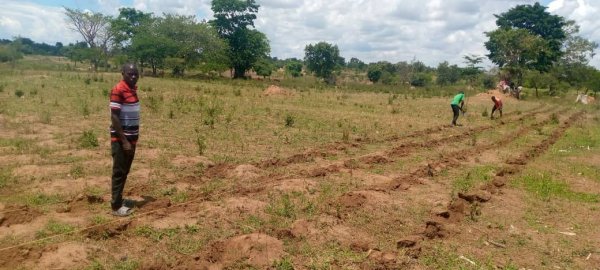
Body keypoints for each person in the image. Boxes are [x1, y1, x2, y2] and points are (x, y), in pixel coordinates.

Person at [109, 63, 140, 216]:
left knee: (125, 171)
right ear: (122, 73)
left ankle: (119, 199)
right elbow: (114, 117)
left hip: (131, 139)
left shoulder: (133, 90)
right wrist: (125, 141)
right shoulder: (118, 90)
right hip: (122, 140)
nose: (133, 76)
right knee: (119, 172)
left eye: (136, 74)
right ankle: (115, 207)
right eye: (130, 74)